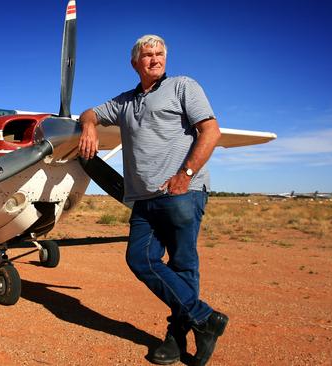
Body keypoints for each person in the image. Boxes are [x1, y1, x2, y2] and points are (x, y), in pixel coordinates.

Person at [78, 34, 228, 366]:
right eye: (147, 55)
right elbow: (90, 112)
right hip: (143, 199)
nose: (155, 59)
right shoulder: (126, 101)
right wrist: (89, 126)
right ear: (135, 63)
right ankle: (205, 319)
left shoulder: (183, 86)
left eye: (160, 53)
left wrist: (184, 176)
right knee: (139, 259)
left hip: (181, 194)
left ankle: (175, 339)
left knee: (183, 266)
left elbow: (211, 131)